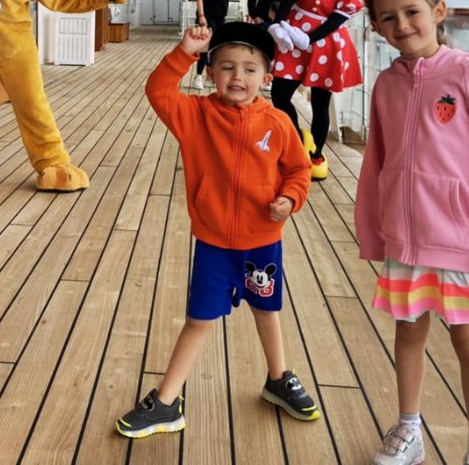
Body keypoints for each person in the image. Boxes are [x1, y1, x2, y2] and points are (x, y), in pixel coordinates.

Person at [116, 21, 318, 438]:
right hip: (213, 244)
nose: (237, 77)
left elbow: (299, 170)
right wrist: (183, 52)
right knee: (200, 320)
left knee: (267, 310)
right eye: (226, 67)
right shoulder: (195, 115)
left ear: (267, 77)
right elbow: (158, 92)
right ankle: (168, 402)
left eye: (249, 68)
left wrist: (291, 199)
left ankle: (278, 377)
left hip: (263, 243)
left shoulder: (279, 123)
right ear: (209, 72)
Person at [354, 0, 469, 465]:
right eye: (388, 17)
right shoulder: (385, 84)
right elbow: (376, 163)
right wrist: (374, 233)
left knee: (468, 339)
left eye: (412, 11)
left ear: (438, 12)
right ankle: (409, 429)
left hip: (459, 239)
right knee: (407, 331)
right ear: (377, 28)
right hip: (406, 239)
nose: (402, 23)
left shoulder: (468, 74)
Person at [268, 0, 403, 181]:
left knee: (320, 102)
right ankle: (295, 140)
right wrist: (279, 23)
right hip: (291, 39)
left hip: (326, 46)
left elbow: (334, 24)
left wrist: (309, 37)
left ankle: (315, 153)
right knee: (280, 95)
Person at [192, 0, 235, 90]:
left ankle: (210, 76)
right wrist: (201, 15)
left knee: (216, 47)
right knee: (206, 46)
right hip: (207, 15)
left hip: (220, 16)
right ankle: (198, 76)